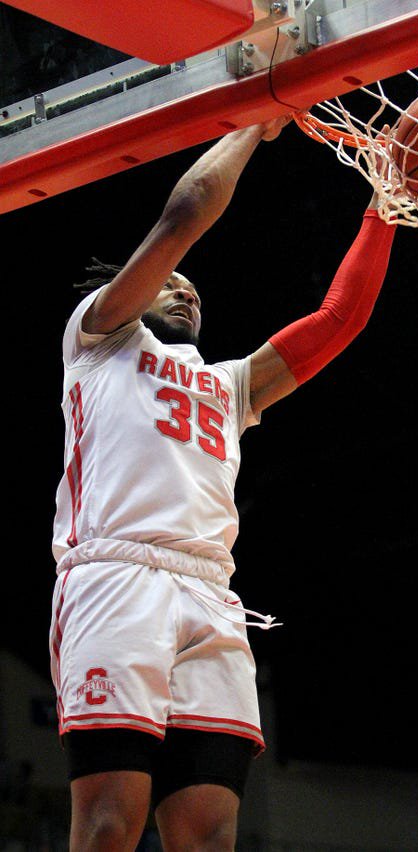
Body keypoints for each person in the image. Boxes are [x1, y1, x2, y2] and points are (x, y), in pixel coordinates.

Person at [49, 116, 397, 851]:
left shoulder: (230, 385)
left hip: (210, 591)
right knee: (110, 823)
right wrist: (257, 122)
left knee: (209, 836)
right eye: (169, 284)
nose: (185, 292)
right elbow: (185, 214)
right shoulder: (99, 339)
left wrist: (385, 203)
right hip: (116, 575)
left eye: (194, 290)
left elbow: (342, 318)